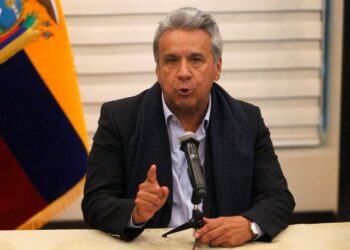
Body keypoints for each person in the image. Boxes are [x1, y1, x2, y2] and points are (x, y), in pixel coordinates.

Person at [82, 7, 295, 248]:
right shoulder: (120, 118)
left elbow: (278, 197)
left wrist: (249, 225)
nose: (183, 73)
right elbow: (95, 202)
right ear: (157, 70)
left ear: (217, 68)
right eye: (171, 60)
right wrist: (136, 212)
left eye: (195, 60)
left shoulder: (247, 120)